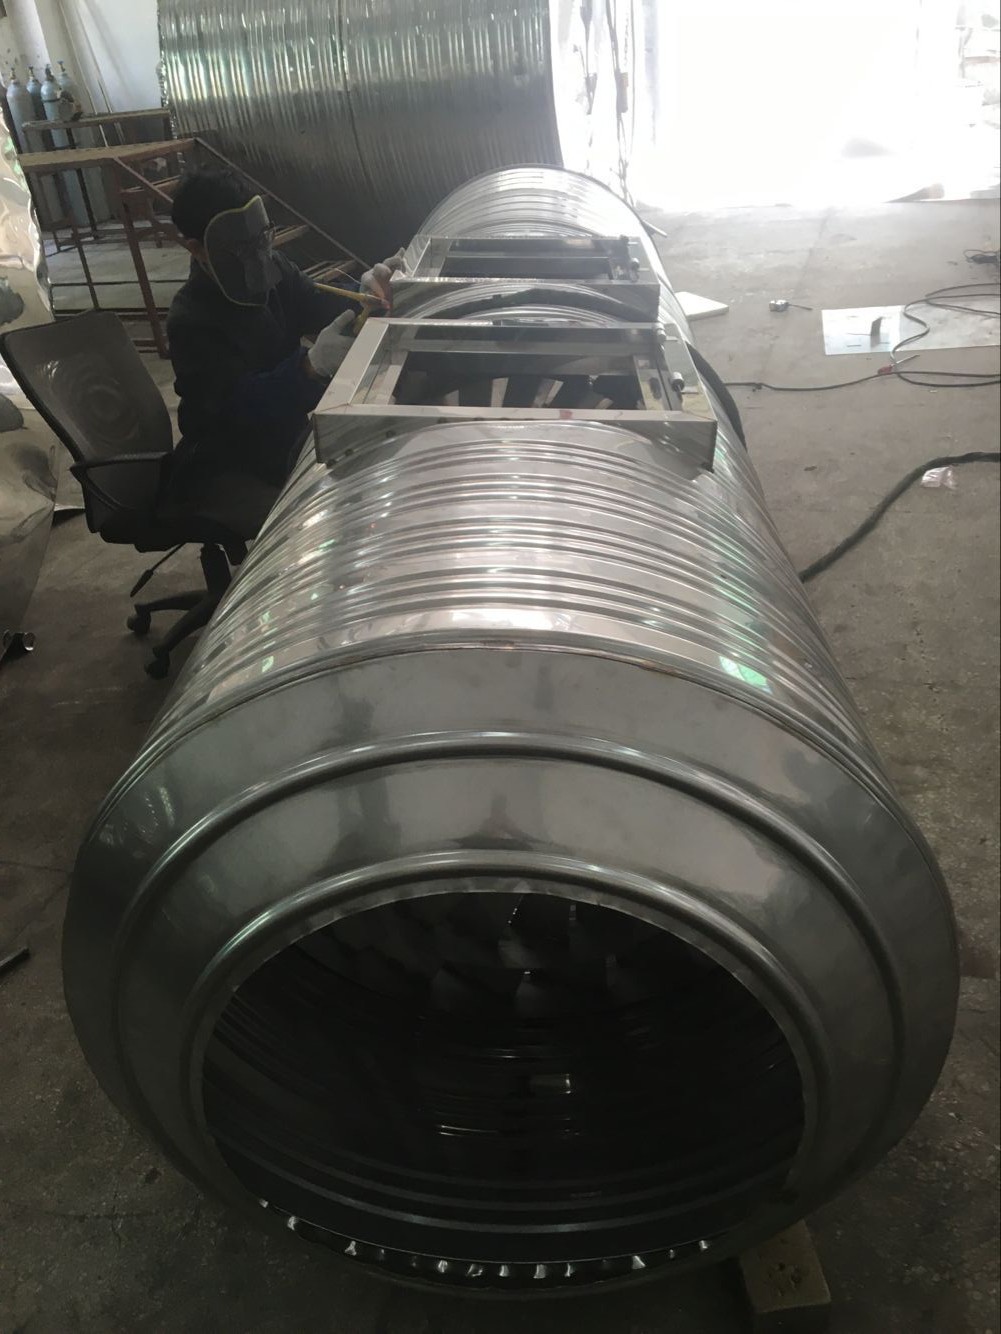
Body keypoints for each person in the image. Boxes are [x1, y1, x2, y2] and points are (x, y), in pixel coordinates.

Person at [166, 166, 402, 492]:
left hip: (283, 433)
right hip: (228, 460)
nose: (259, 256)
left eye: (262, 238)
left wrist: (368, 296)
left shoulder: (273, 268)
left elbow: (318, 304)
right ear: (197, 249)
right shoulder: (190, 318)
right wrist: (308, 368)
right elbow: (233, 410)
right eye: (241, 247)